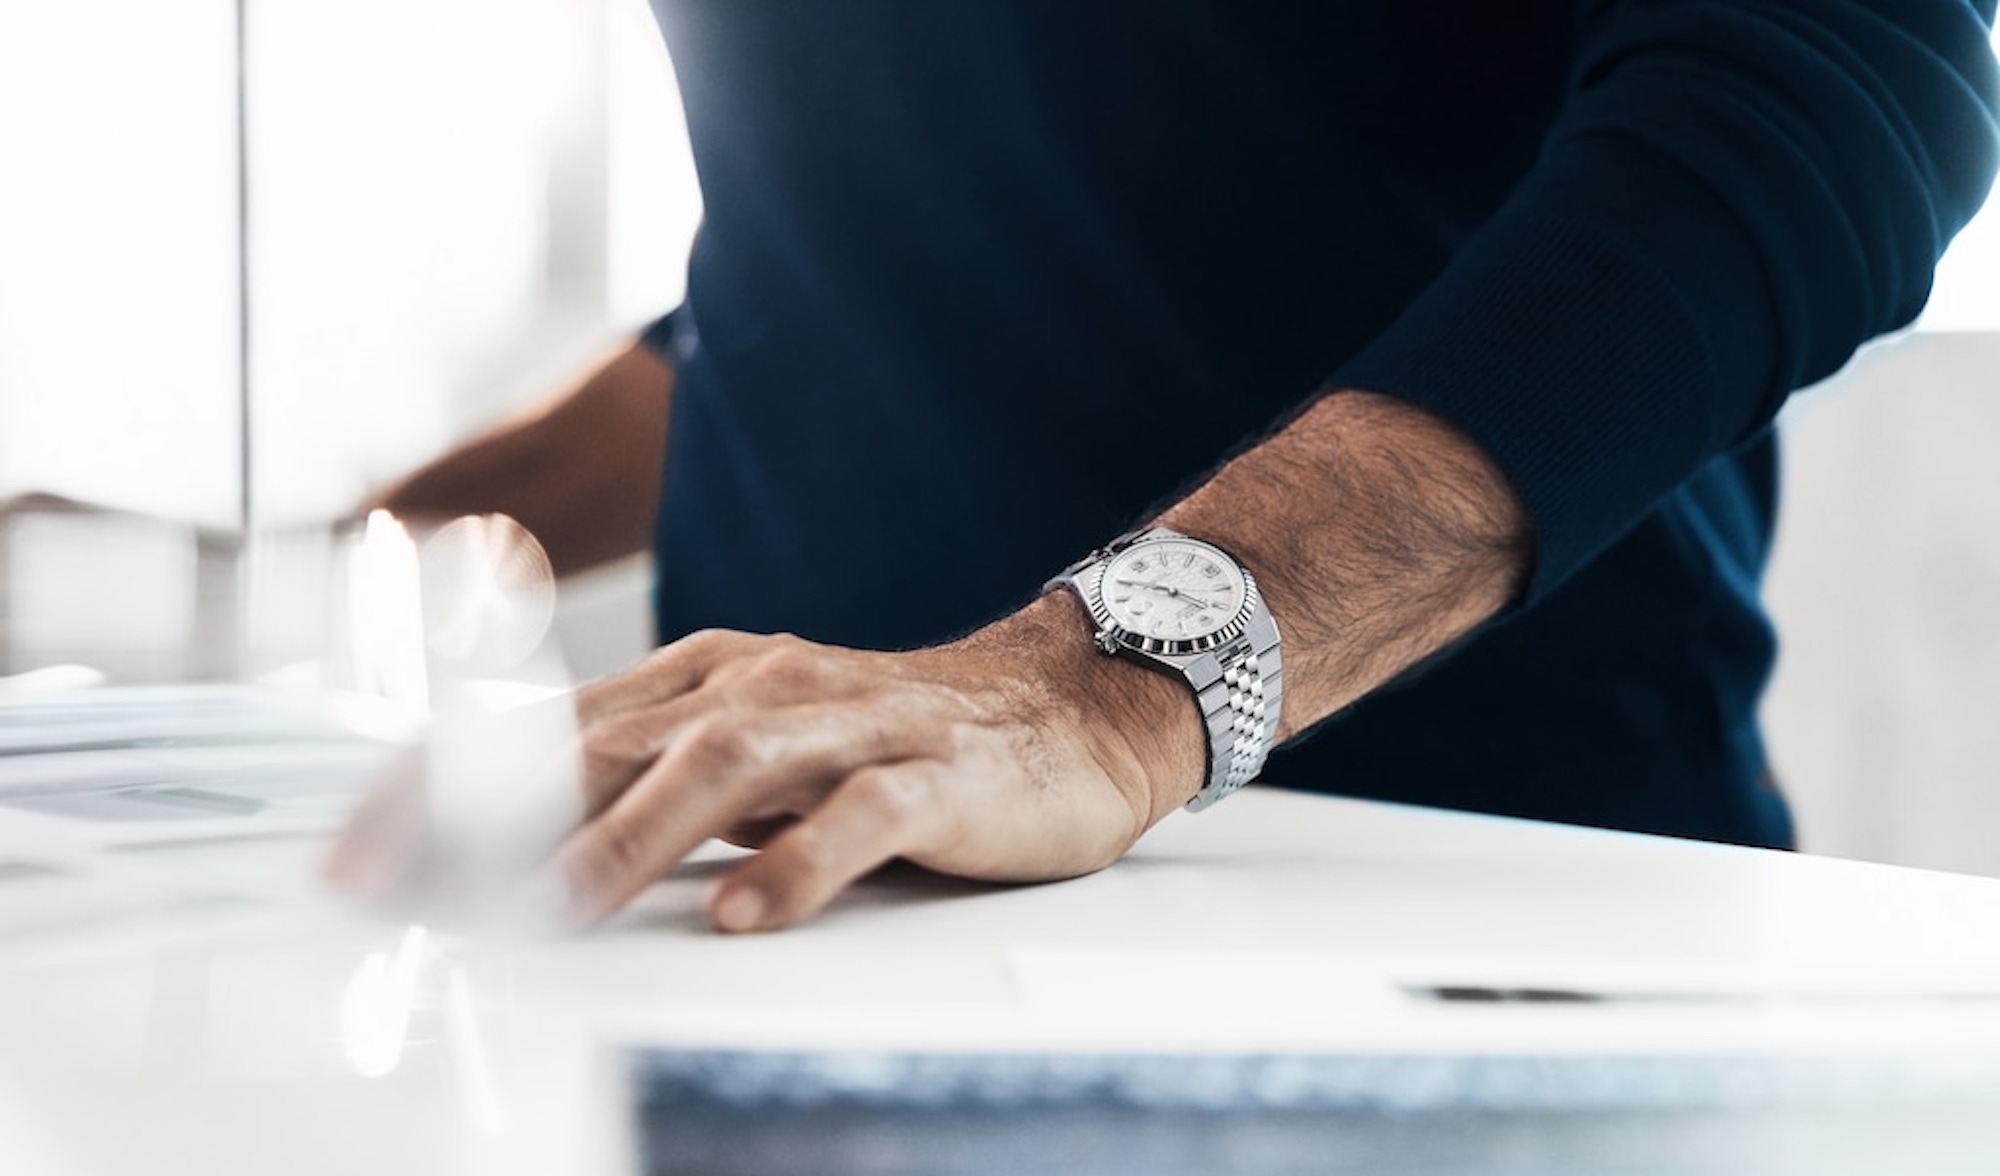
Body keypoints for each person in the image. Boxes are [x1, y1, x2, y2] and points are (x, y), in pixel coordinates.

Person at [338, 1, 2000, 934]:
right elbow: (847, 242)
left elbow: (1837, 80)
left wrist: (1117, 681)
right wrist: (329, 536)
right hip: (776, 895)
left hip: (1439, 905)